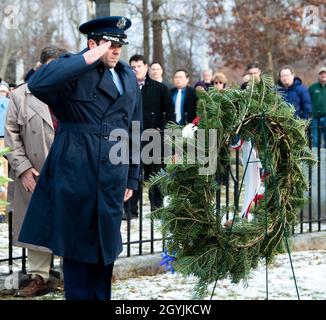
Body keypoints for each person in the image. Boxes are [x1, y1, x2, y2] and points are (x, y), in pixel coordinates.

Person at [18, 16, 142, 300]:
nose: (115, 50)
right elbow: (37, 83)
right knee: (76, 253)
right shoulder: (73, 73)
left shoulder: (127, 77)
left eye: (119, 45)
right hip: (76, 173)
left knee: (104, 252)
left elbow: (135, 129)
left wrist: (132, 176)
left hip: (112, 175)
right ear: (92, 44)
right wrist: (87, 58)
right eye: (109, 44)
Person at [5, 46, 66, 298]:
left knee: (69, 222)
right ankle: (39, 276)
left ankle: (70, 273)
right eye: (51, 65)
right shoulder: (21, 95)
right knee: (37, 222)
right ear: (40, 67)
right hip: (34, 171)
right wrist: (23, 169)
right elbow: (11, 136)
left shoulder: (74, 93)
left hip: (68, 170)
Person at [125, 54, 174, 219]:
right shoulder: (126, 87)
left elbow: (169, 113)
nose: (136, 69)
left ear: (146, 67)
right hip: (131, 139)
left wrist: (162, 129)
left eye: (139, 66)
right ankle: (130, 210)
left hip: (154, 138)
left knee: (155, 176)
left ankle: (157, 209)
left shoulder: (160, 88)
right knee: (133, 175)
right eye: (133, 66)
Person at [309, 66, 326, 147]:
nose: (323, 75)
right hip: (315, 118)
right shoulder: (313, 87)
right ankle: (316, 159)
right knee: (315, 141)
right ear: (319, 75)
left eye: (325, 73)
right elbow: (307, 102)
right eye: (321, 73)